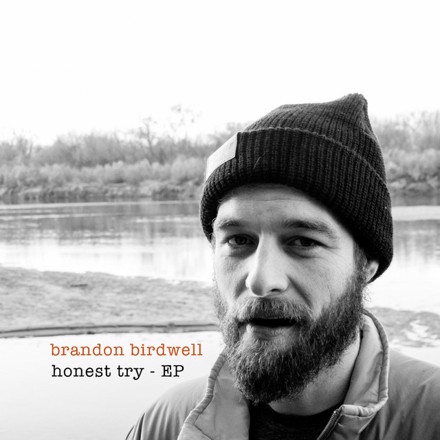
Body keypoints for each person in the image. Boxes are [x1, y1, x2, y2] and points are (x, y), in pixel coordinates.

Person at [126, 94, 440, 439]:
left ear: (366, 264)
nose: (261, 280)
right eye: (238, 240)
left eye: (303, 242)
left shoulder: (429, 417)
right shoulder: (167, 422)